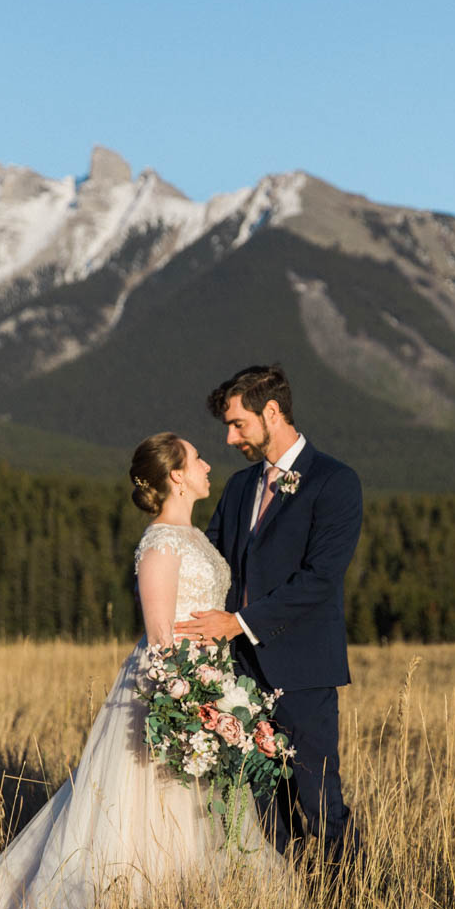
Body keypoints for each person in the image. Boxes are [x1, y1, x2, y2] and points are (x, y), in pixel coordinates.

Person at [0, 432, 276, 909]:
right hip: (171, 689)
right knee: (147, 813)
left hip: (211, 685)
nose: (208, 465)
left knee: (200, 811)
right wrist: (190, 697)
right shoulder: (160, 544)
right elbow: (161, 635)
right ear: (176, 475)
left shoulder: (195, 537)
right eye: (197, 459)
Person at [175, 364, 363, 870]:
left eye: (238, 424)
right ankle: (292, 907)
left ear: (273, 413)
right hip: (240, 678)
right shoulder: (238, 488)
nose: (229, 436)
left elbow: (320, 580)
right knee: (264, 809)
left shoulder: (336, 482)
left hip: (304, 672)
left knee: (319, 800)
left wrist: (239, 622)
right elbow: (215, 562)